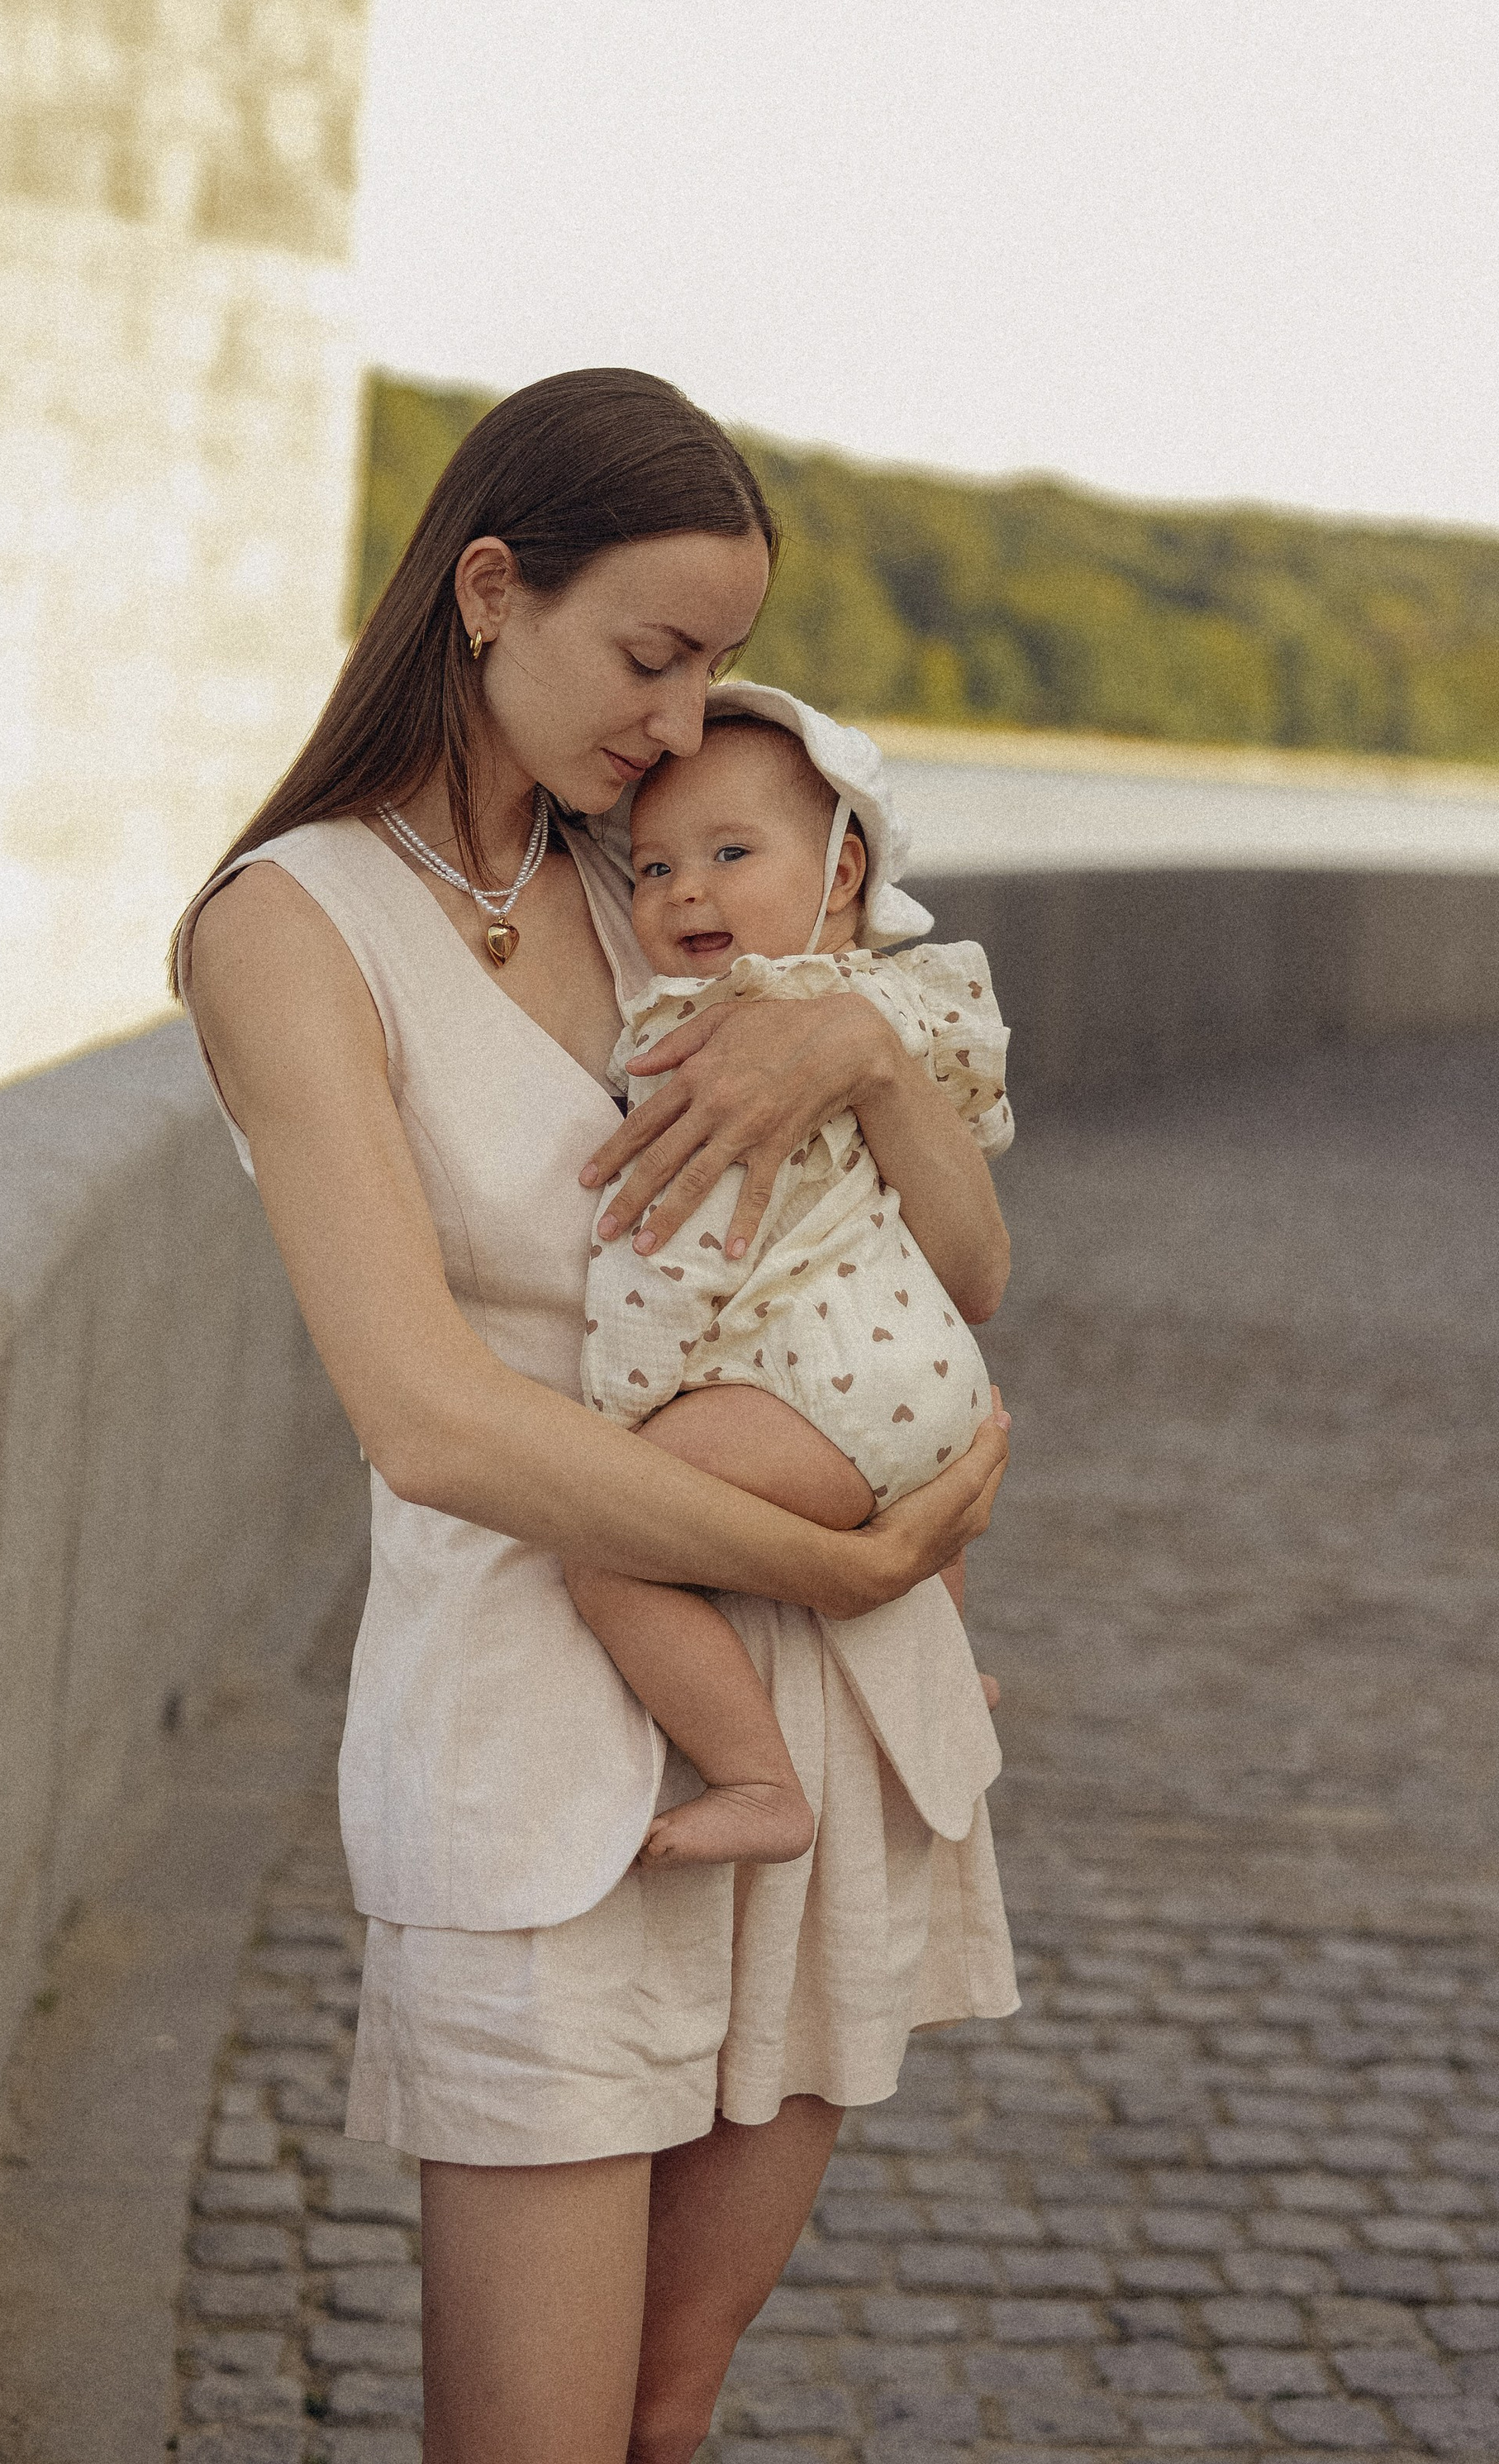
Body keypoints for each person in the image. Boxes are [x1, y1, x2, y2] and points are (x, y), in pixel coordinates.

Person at [174, 369, 1016, 2464]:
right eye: (650, 655)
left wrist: (857, 1048)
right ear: (486, 589)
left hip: (821, 1719)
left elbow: (937, 1265)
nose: (682, 715)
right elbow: (432, 1421)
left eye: (715, 664)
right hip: (548, 1751)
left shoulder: (670, 870)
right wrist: (839, 1551)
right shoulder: (288, 930)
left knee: (668, 2411)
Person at [568, 693, 1012, 1871]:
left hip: (828, 1392)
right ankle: (949, 1676)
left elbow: (670, 1248)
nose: (684, 891)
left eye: (729, 854)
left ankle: (758, 1778)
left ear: (844, 870)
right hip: (925, 1382)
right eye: (652, 867)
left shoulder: (718, 1042)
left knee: (605, 1530)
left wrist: (629, 1405)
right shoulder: (902, 1008)